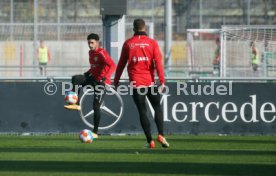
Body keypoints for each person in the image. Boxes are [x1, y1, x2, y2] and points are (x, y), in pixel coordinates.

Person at [114, 19, 169, 149]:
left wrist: (116, 81)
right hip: (150, 81)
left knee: (142, 111)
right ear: (145, 29)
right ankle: (161, 134)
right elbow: (158, 63)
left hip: (136, 82)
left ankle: (150, 141)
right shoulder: (152, 43)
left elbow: (121, 64)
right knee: (157, 107)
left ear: (133, 29)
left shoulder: (128, 43)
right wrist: (162, 81)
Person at [64, 33, 116, 138]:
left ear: (97, 42)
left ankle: (95, 132)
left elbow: (113, 65)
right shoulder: (90, 53)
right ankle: (76, 103)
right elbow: (94, 67)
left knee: (96, 106)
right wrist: (87, 73)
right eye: (89, 43)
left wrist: (105, 78)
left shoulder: (102, 53)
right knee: (76, 79)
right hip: (93, 78)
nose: (90, 45)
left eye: (92, 43)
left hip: (101, 82)